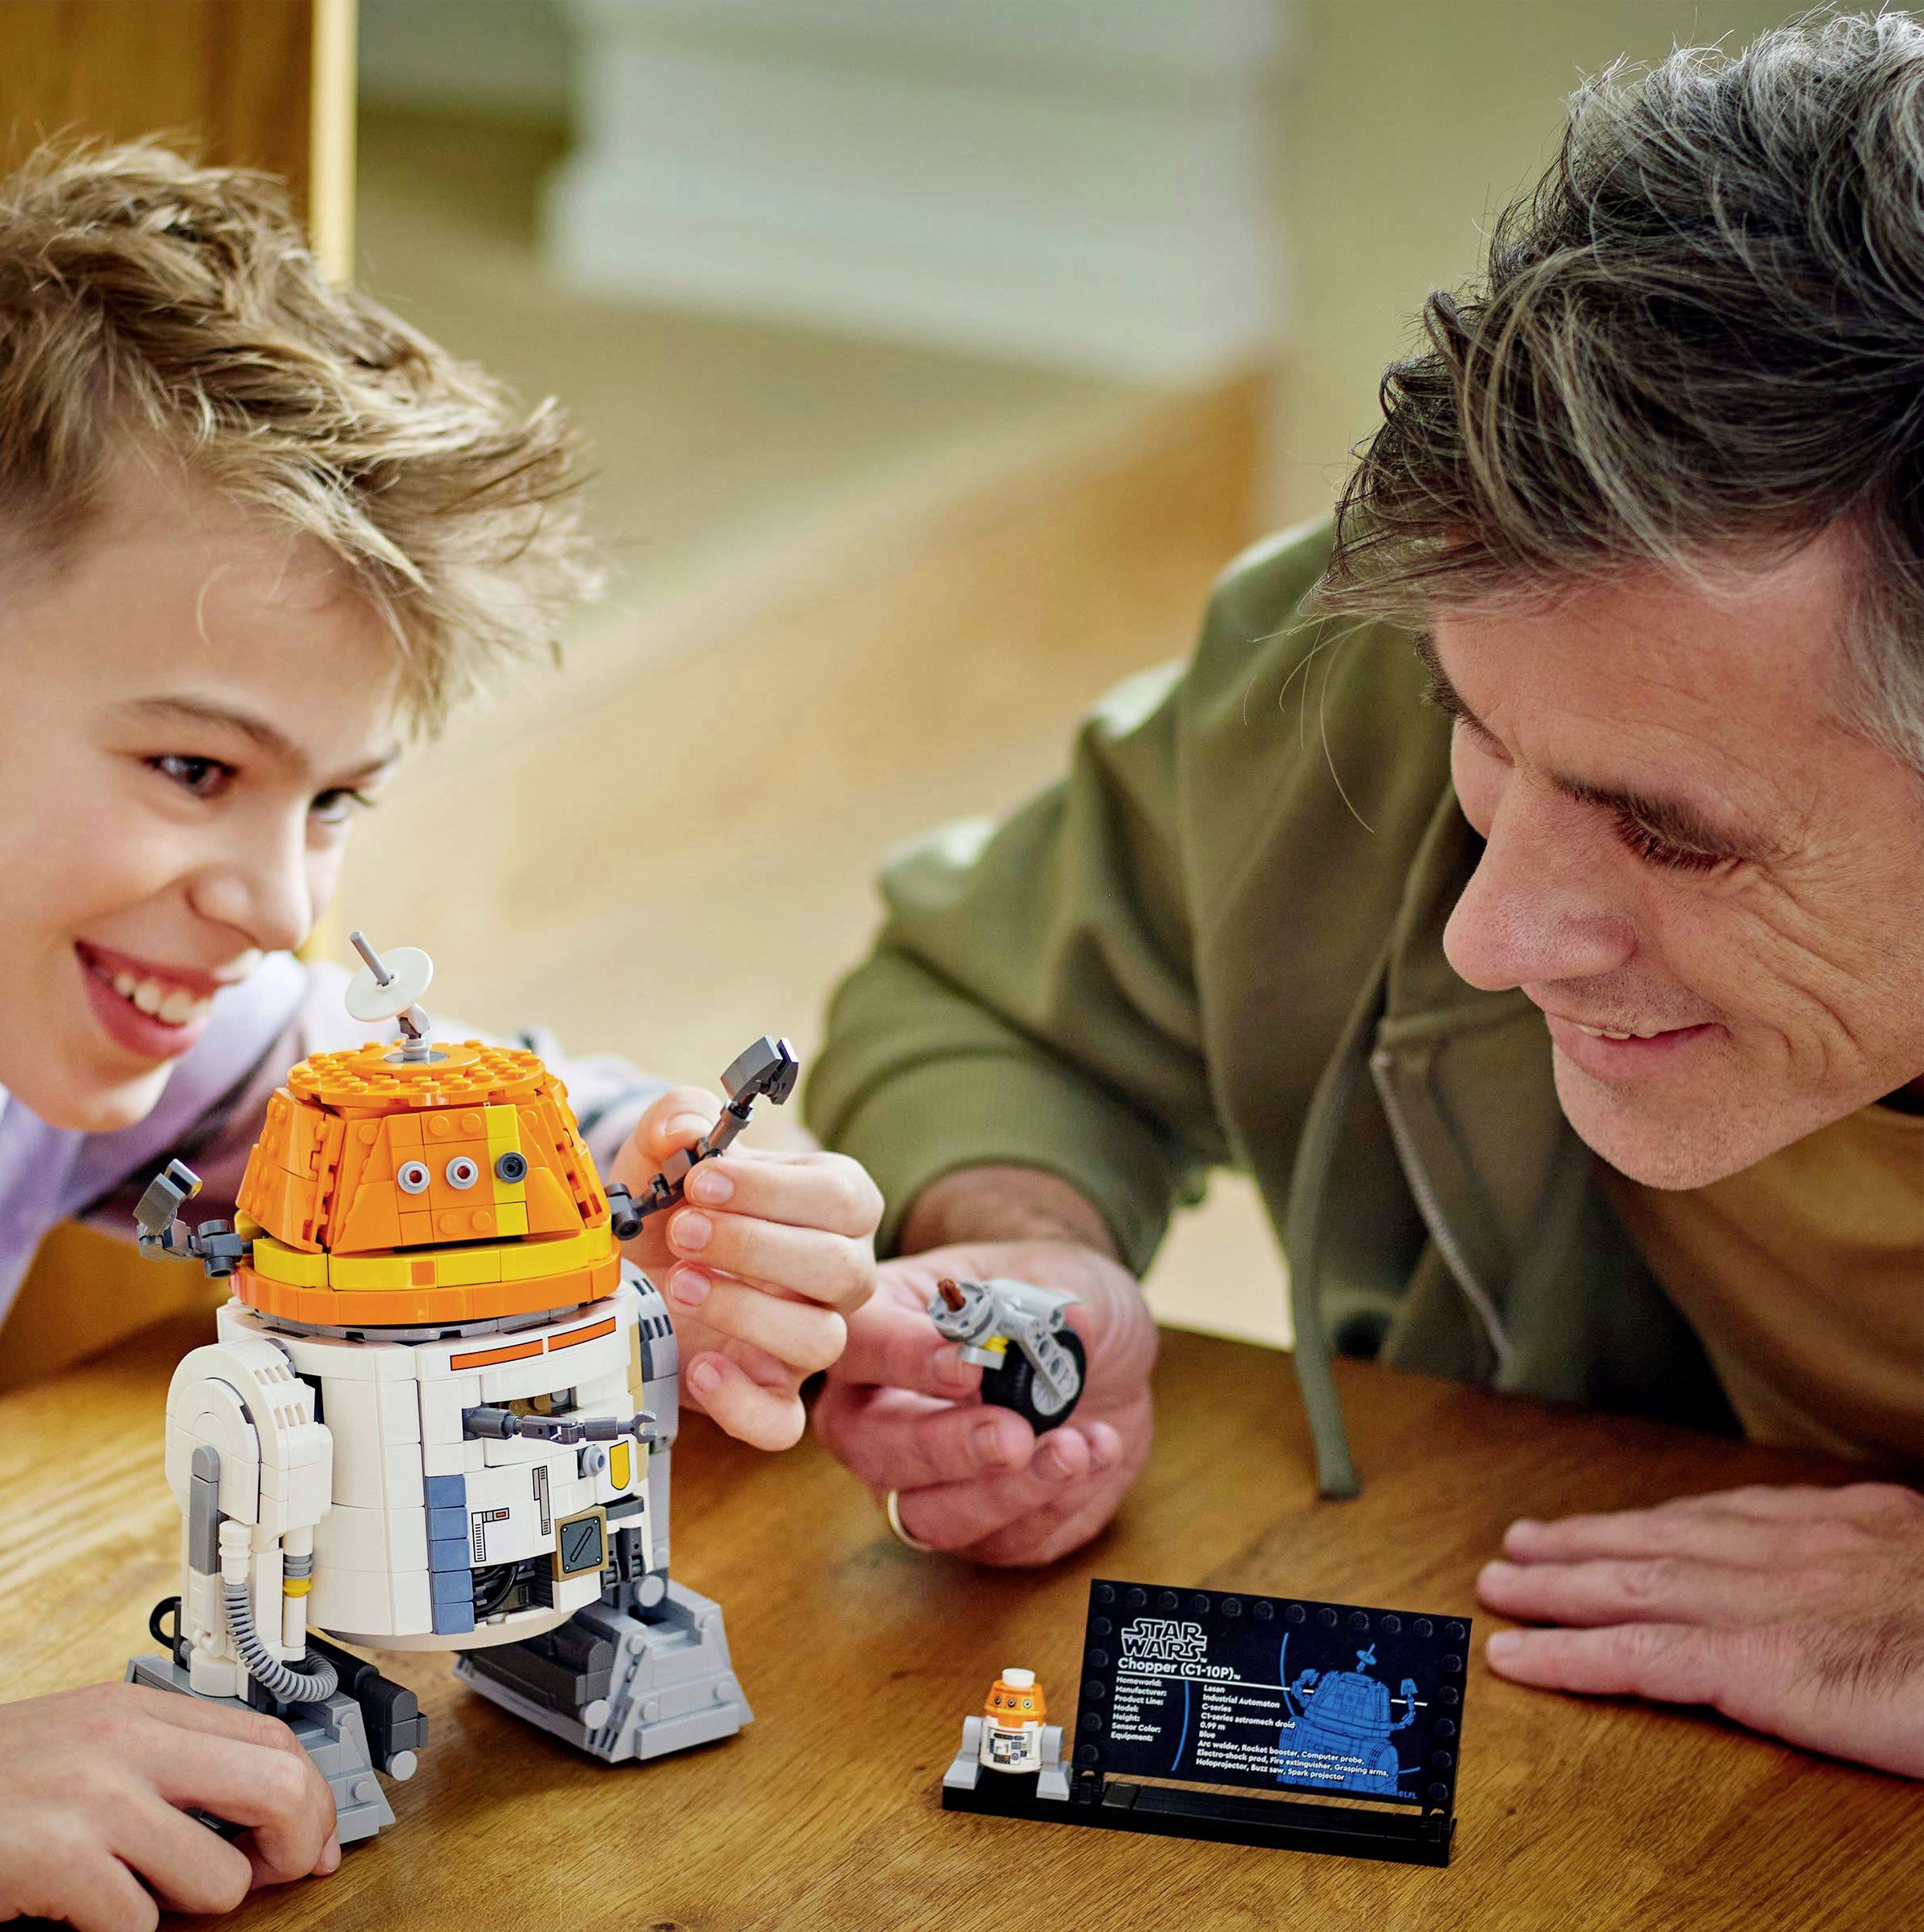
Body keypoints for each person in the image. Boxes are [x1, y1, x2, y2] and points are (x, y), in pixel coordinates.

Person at [806, 14, 1924, 1782]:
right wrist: (1024, 1245)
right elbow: (990, 1001)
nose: (1488, 930)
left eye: (1672, 833)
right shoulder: (1414, 649)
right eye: (1481, 738)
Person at [0, 144, 879, 1932]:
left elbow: (379, 1112)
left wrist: (667, 1180)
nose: (280, 905)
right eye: (192, 766)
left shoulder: (56, 1006)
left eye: (334, 795)